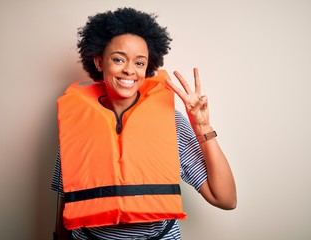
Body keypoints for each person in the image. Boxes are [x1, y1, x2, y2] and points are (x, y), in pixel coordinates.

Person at [51, 7, 236, 240]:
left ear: (148, 67)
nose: (129, 70)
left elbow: (226, 199)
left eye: (140, 63)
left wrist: (203, 128)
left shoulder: (171, 122)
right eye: (118, 59)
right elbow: (64, 208)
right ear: (99, 62)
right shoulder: (77, 119)